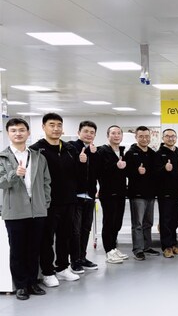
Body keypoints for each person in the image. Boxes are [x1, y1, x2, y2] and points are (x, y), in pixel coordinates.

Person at [0, 118, 51, 300]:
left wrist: (45, 202)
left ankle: (32, 283)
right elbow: (1, 183)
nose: (18, 133)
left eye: (22, 130)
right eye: (13, 130)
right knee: (17, 250)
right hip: (14, 211)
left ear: (28, 133)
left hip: (37, 210)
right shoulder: (2, 158)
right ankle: (21, 286)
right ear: (8, 134)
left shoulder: (38, 156)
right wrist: (15, 174)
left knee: (34, 249)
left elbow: (46, 182)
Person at [30, 113, 81, 287]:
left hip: (68, 200)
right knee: (47, 238)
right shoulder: (36, 149)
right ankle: (47, 271)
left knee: (65, 236)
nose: (56, 128)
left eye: (59, 125)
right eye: (52, 125)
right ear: (43, 127)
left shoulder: (69, 149)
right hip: (47, 202)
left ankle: (62, 267)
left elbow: (76, 174)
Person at [69, 120, 100, 273]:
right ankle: (74, 261)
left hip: (90, 196)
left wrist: (94, 156)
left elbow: (96, 172)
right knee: (75, 230)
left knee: (86, 228)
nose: (89, 134)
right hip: (76, 196)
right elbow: (69, 171)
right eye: (86, 131)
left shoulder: (93, 151)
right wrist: (79, 160)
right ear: (78, 132)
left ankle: (82, 257)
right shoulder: (71, 148)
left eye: (92, 132)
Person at [125, 126, 159, 261]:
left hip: (150, 193)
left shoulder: (152, 153)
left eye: (146, 136)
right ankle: (138, 249)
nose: (144, 139)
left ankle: (147, 246)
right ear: (136, 137)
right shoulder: (130, 153)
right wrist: (136, 171)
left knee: (148, 222)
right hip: (137, 194)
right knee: (137, 224)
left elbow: (156, 172)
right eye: (141, 136)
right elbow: (125, 172)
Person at [97, 125, 129, 264]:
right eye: (113, 133)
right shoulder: (102, 151)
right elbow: (100, 171)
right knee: (109, 222)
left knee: (117, 222)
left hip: (121, 192)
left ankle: (113, 248)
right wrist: (115, 166)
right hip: (108, 193)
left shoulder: (121, 151)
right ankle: (108, 251)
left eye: (119, 133)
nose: (116, 136)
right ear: (108, 135)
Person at [155, 128, 178, 258]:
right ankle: (166, 247)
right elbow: (154, 173)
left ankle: (173, 244)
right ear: (163, 138)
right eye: (167, 136)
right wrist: (164, 169)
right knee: (166, 220)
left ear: (176, 138)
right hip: (165, 193)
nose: (170, 138)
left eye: (173, 136)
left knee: (175, 220)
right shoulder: (159, 154)